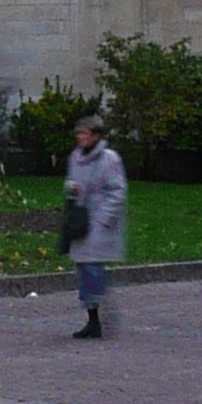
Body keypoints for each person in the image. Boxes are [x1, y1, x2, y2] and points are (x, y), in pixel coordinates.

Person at [64, 112, 127, 340]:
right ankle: (93, 319)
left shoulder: (109, 159)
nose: (80, 137)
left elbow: (118, 191)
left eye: (84, 133)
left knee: (91, 267)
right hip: (81, 220)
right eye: (78, 133)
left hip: (100, 222)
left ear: (96, 136)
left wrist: (103, 218)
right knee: (83, 269)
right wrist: (71, 190)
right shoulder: (76, 156)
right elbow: (71, 182)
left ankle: (102, 303)